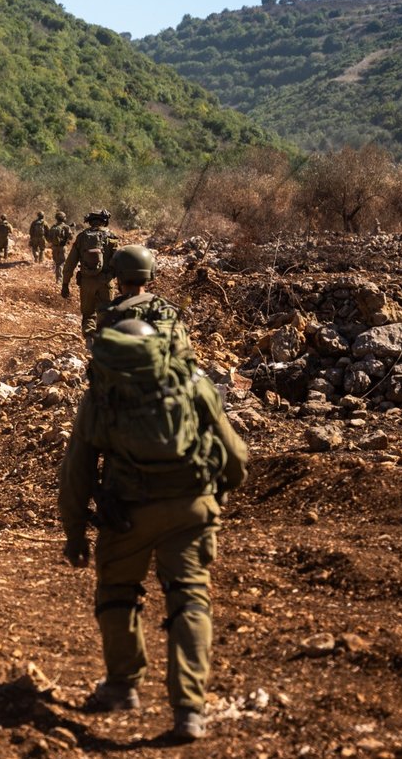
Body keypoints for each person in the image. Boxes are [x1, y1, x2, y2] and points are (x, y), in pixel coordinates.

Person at [58, 317, 248, 743]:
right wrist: (217, 496)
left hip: (127, 515)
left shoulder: (100, 398)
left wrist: (75, 534)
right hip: (191, 510)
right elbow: (235, 456)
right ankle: (189, 712)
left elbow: (76, 472)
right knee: (189, 599)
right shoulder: (191, 385)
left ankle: (122, 687)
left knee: (118, 592)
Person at [60, 209, 118, 335]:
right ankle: (104, 345)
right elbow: (119, 262)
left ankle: (90, 342)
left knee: (88, 315)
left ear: (90, 221)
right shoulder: (112, 237)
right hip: (106, 282)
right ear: (104, 221)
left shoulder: (82, 237)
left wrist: (65, 284)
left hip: (86, 283)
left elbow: (70, 263)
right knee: (106, 315)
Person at [46, 211, 73, 284]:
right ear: (63, 218)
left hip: (54, 247)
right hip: (62, 247)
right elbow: (71, 238)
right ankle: (60, 280)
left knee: (57, 263)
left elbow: (48, 239)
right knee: (62, 263)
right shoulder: (66, 227)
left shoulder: (53, 227)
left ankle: (58, 278)